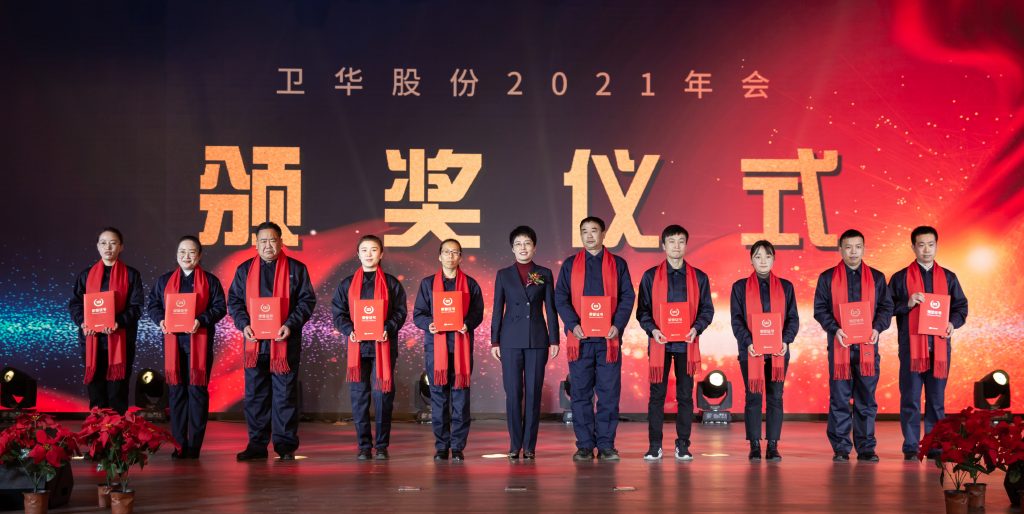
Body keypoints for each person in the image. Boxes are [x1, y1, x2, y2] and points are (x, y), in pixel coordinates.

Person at [227, 221, 316, 461]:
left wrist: (290, 324)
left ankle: (285, 446)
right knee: (255, 395)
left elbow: (307, 301)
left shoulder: (296, 269)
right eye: (263, 241)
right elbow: (234, 301)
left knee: (284, 395)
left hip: (284, 342)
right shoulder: (244, 270)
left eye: (272, 240)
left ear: (281, 242)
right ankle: (257, 445)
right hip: (254, 344)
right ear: (256, 244)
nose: (268, 245)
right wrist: (244, 324)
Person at [554, 216, 635, 461]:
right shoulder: (570, 265)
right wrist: (573, 325)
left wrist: (617, 325)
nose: (589, 235)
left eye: (594, 231)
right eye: (584, 231)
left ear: (603, 234)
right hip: (580, 340)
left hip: (608, 341)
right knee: (580, 394)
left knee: (609, 394)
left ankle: (607, 445)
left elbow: (627, 296)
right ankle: (585, 445)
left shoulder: (617, 264)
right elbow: (561, 297)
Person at [887, 226, 968, 460]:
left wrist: (952, 323)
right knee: (910, 399)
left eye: (930, 244)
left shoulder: (949, 277)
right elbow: (886, 308)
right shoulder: (900, 278)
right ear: (913, 247)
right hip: (911, 349)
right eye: (921, 245)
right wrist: (907, 302)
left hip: (939, 348)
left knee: (936, 401)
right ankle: (911, 446)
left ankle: (935, 446)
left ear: (937, 246)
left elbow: (961, 307)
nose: (926, 250)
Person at [813, 229, 894, 462]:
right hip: (840, 348)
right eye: (848, 247)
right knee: (839, 400)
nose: (853, 252)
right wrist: (835, 329)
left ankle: (866, 448)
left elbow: (886, 307)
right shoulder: (827, 278)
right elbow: (820, 309)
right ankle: (841, 448)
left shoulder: (877, 278)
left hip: (868, 349)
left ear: (864, 248)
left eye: (858, 247)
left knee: (866, 400)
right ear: (840, 249)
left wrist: (877, 328)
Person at [635, 225, 713, 462]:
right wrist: (653, 330)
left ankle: (683, 445)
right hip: (660, 343)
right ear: (664, 245)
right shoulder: (650, 277)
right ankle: (654, 445)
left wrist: (696, 328)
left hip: (686, 345)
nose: (676, 246)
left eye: (681, 241)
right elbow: (642, 311)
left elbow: (707, 310)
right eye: (671, 241)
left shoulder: (699, 277)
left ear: (686, 245)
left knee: (685, 397)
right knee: (656, 396)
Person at [146, 235, 227, 459]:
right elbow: (153, 305)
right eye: (182, 252)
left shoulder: (210, 281)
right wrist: (160, 320)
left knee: (197, 392)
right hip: (174, 343)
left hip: (199, 342)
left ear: (199, 255)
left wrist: (201, 320)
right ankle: (179, 444)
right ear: (176, 255)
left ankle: (195, 445)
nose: (186, 256)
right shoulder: (164, 281)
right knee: (176, 393)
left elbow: (220, 307)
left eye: (191, 252)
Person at [331, 235, 408, 460]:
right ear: (358, 254)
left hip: (383, 345)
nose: (369, 254)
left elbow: (400, 312)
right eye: (364, 250)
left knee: (383, 395)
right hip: (358, 347)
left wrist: (388, 328)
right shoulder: (347, 284)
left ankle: (382, 445)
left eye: (374, 250)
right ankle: (364, 446)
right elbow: (338, 313)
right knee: (359, 397)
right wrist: (349, 330)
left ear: (381, 254)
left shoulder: (391, 283)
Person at [490, 226, 560, 460]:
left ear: (534, 247)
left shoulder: (544, 273)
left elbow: (551, 309)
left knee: (533, 393)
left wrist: (554, 339)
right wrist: (494, 341)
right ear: (512, 248)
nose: (523, 248)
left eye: (527, 243)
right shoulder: (503, 274)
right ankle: (514, 444)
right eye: (518, 244)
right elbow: (497, 309)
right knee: (513, 393)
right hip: (510, 340)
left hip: (537, 339)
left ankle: (529, 446)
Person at [413, 239, 484, 462]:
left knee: (461, 400)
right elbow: (418, 314)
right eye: (446, 252)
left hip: (461, 348)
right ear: (439, 256)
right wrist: (430, 324)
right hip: (436, 350)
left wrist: (467, 324)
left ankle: (458, 447)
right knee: (439, 399)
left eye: (455, 252)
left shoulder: (470, 284)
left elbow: (478, 313)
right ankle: (442, 446)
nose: (450, 256)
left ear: (460, 257)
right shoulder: (427, 284)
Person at [729, 240, 799, 461]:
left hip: (778, 352)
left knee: (775, 397)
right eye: (758, 257)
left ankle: (773, 445)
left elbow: (793, 319)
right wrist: (748, 342)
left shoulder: (786, 287)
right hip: (750, 352)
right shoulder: (739, 287)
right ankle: (754, 445)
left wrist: (786, 341)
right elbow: (736, 320)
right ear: (751, 260)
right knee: (753, 397)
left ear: (773, 259)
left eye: (767, 256)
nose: (763, 261)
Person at [68, 227, 145, 414]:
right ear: (97, 246)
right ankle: (97, 429)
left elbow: (136, 307)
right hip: (92, 340)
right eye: (103, 243)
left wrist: (118, 322)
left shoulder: (131, 275)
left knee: (118, 391)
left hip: (120, 340)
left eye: (113, 243)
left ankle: (117, 431)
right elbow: (75, 304)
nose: (108, 247)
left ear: (121, 247)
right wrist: (83, 322)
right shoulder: (86, 275)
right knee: (96, 390)